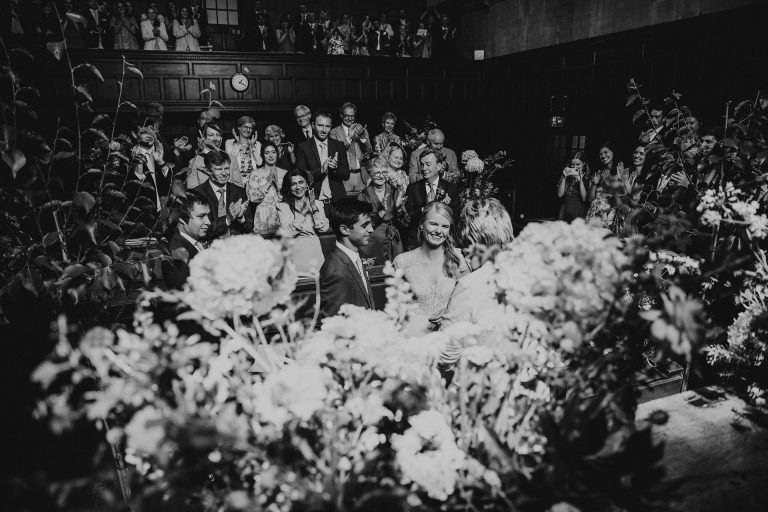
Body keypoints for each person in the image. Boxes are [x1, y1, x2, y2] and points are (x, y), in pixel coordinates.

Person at [438, 198, 516, 379]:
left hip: (479, 390)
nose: (464, 250)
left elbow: (445, 357)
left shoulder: (469, 286)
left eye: (466, 244)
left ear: (474, 238)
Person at [393, 202, 468, 334]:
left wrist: (450, 310)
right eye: (433, 224)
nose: (439, 231)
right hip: (413, 337)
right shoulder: (402, 261)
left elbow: (470, 301)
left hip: (449, 336)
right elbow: (395, 308)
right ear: (422, 225)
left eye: (445, 226)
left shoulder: (459, 259)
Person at [319, 198, 375, 317]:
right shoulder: (336, 272)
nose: (371, 230)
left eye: (370, 223)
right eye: (364, 225)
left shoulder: (355, 257)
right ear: (344, 229)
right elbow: (335, 325)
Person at [401, 148, 458, 249]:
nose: (423, 168)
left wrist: (444, 209)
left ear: (439, 165)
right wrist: (425, 208)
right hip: (417, 243)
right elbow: (408, 219)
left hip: (443, 243)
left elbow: (456, 217)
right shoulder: (412, 188)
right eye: (422, 165)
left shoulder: (450, 188)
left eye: (428, 164)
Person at [277, 169, 331, 274]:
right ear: (289, 187)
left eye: (301, 182)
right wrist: (303, 212)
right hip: (295, 255)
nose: (298, 187)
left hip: (315, 254)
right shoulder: (283, 207)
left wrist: (313, 206)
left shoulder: (317, 204)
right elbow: (287, 234)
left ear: (307, 184)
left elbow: (324, 228)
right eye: (293, 184)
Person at [190, 151, 251, 241]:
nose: (224, 173)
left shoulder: (239, 191)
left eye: (226, 168)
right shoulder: (197, 193)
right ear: (208, 171)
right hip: (210, 248)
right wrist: (228, 219)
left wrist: (240, 217)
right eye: (218, 169)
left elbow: (249, 227)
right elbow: (200, 231)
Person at [357, 157, 404, 265]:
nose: (381, 176)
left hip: (393, 238)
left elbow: (404, 223)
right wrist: (381, 212)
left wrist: (399, 209)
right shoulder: (363, 196)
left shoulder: (394, 191)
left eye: (384, 172)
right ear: (370, 173)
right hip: (373, 241)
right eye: (377, 172)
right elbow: (362, 225)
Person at [294, 111, 350, 202]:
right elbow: (300, 177)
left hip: (337, 201)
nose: (324, 130)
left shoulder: (338, 145)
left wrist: (335, 168)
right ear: (313, 125)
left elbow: (346, 175)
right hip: (315, 201)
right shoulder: (303, 147)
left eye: (327, 126)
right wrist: (321, 170)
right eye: (320, 125)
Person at [161, 189, 211, 290]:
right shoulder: (177, 252)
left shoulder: (191, 240)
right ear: (181, 219)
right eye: (201, 216)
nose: (208, 222)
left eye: (207, 215)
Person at [330, 102, 372, 197]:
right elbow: (335, 153)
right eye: (347, 116)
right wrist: (349, 137)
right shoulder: (334, 132)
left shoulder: (362, 130)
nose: (350, 119)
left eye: (352, 116)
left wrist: (363, 138)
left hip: (361, 177)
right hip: (344, 179)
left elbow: (369, 152)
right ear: (341, 116)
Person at [129, 125, 174, 211]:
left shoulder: (163, 151)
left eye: (151, 132)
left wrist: (161, 162)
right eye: (144, 132)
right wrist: (139, 163)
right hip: (145, 214)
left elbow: (172, 183)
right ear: (134, 134)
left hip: (165, 212)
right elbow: (134, 191)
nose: (149, 136)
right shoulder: (129, 156)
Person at [586, 141, 628, 232]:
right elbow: (590, 199)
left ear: (613, 152)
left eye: (606, 152)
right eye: (601, 154)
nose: (603, 156)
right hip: (594, 213)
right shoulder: (599, 172)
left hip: (609, 215)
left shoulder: (619, 171)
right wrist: (594, 184)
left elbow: (622, 197)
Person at [246, 142, 286, 235]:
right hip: (262, 215)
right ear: (262, 155)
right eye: (267, 153)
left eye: (273, 152)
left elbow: (290, 198)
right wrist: (268, 183)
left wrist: (278, 187)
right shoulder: (255, 174)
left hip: (282, 215)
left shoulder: (285, 173)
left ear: (278, 154)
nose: (271, 155)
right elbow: (252, 198)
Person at [185, 123, 242, 189]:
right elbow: (192, 190)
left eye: (218, 135)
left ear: (221, 138)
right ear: (204, 138)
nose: (215, 138)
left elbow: (239, 187)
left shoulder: (232, 159)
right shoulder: (194, 162)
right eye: (211, 135)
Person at [224, 116, 262, 182]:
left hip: (253, 181)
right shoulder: (229, 142)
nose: (248, 130)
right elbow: (229, 162)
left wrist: (252, 146)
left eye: (250, 128)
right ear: (239, 127)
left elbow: (259, 163)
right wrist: (238, 144)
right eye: (245, 127)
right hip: (235, 180)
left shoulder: (257, 144)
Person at [557, 151, 588, 222]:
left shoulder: (587, 177)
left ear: (584, 164)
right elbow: (559, 194)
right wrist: (564, 177)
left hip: (579, 210)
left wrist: (581, 182)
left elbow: (584, 199)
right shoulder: (565, 177)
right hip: (566, 209)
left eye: (578, 164)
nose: (575, 167)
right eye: (572, 164)